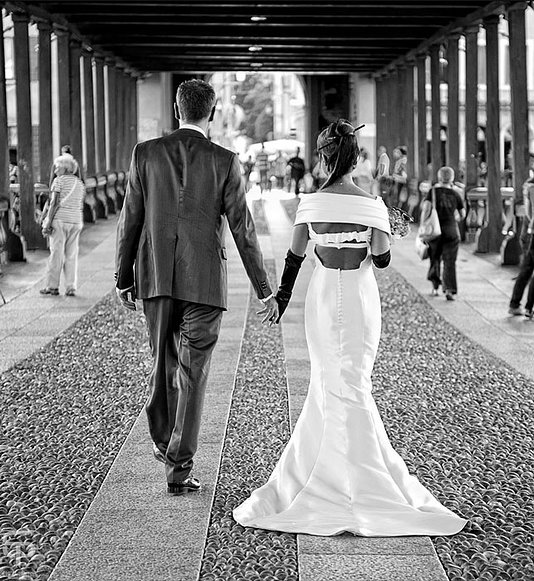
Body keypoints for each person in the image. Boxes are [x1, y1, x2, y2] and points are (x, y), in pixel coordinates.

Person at [234, 119, 467, 537]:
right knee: (357, 380)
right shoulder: (371, 205)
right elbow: (380, 261)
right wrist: (386, 227)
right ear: (356, 158)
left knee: (325, 379)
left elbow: (294, 260)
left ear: (323, 159)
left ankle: (318, 474)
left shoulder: (310, 204)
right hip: (360, 297)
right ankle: (367, 476)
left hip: (322, 299)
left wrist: (280, 303)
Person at [115, 79, 278, 496]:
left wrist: (123, 276)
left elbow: (130, 217)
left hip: (155, 277)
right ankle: (179, 466)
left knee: (162, 364)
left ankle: (163, 437)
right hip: (205, 280)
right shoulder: (225, 160)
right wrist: (264, 288)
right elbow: (242, 227)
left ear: (176, 107)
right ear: (214, 110)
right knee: (194, 374)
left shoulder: (145, 154)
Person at [40, 155, 85, 297]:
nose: (55, 170)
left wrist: (47, 221)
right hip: (76, 221)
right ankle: (71, 287)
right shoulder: (80, 184)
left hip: (60, 221)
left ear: (65, 168)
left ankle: (52, 286)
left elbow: (54, 203)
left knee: (56, 254)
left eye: (57, 167)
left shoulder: (58, 181)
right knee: (71, 255)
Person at [422, 166, 466, 301]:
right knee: (450, 261)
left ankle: (435, 288)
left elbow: (426, 209)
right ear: (452, 178)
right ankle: (449, 290)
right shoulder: (456, 193)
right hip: (451, 231)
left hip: (435, 231)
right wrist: (453, 219)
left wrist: (423, 226)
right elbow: (462, 214)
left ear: (439, 177)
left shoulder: (433, 192)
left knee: (434, 258)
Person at [508, 176, 534, 318]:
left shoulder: (529, 187)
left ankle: (515, 304)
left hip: (528, 233)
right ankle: (529, 307)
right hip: (532, 232)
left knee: (526, 270)